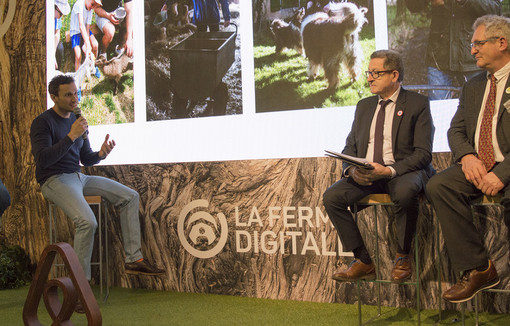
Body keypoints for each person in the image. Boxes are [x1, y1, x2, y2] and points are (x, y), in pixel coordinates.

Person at [30, 75, 165, 284]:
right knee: (87, 222)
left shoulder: (78, 121)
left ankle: (133, 259)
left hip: (78, 177)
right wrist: (71, 136)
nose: (75, 99)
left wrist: (101, 154)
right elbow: (43, 160)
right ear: (54, 97)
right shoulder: (42, 122)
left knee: (130, 196)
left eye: (76, 93)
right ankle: (80, 286)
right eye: (68, 95)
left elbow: (86, 158)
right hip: (54, 180)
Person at [323, 50, 435, 283]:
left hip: (403, 172)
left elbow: (423, 154)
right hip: (369, 176)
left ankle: (403, 256)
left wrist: (389, 170)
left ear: (394, 75)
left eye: (376, 73)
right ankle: (363, 261)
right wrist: (351, 170)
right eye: (369, 73)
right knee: (332, 196)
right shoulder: (364, 106)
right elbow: (350, 147)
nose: (369, 78)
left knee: (405, 191)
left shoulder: (418, 103)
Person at [426, 14, 510, 303]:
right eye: (471, 44)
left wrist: (502, 174)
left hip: (507, 168)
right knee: (440, 185)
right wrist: (467, 156)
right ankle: (478, 268)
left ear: (502, 43)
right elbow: (456, 128)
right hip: (479, 165)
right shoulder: (473, 85)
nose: (472, 50)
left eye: (478, 43)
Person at [405, 0, 501, 100]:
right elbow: (414, 7)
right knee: (438, 110)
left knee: (478, 107)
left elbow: (495, 9)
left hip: (472, 59)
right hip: (438, 57)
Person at [69, 0, 101, 72]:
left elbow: (87, 27)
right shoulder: (79, 4)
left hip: (85, 30)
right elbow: (81, 25)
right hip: (75, 31)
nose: (92, 8)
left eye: (94, 6)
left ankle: (93, 66)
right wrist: (88, 44)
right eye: (92, 4)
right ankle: (78, 75)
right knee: (78, 55)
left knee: (95, 45)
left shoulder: (90, 8)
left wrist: (85, 43)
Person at [54, 0, 71, 70]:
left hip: (52, 39)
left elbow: (56, 34)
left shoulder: (57, 19)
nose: (61, 16)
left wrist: (53, 54)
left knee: (60, 48)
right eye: (60, 13)